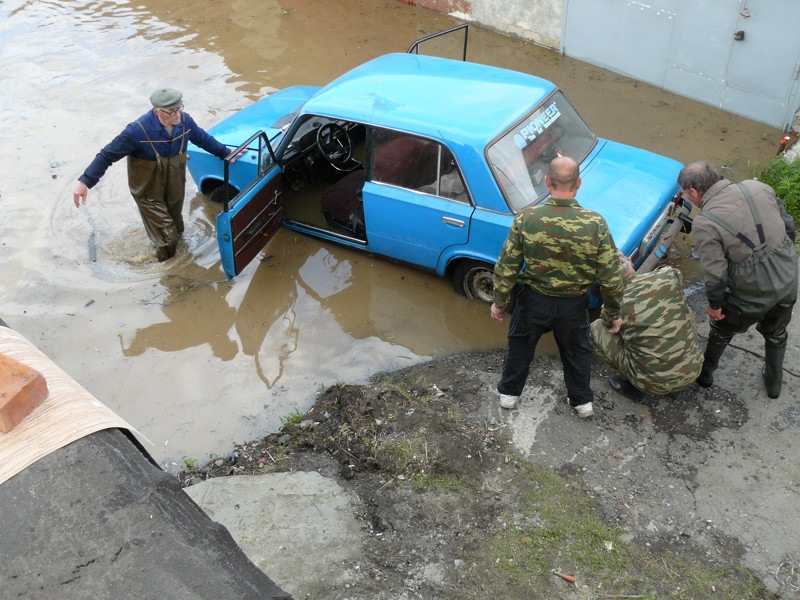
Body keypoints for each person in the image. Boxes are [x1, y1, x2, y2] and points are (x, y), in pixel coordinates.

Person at [490, 156, 624, 418]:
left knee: (520, 346)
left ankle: (509, 394)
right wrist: (613, 313)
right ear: (579, 184)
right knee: (577, 351)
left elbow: (506, 266)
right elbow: (610, 275)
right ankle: (582, 402)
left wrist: (500, 301)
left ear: (546, 181)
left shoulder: (527, 218)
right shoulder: (595, 223)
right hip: (574, 303)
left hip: (533, 300)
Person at [73, 88, 237, 261]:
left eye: (179, 108)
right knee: (167, 235)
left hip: (175, 185)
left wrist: (225, 153)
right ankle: (166, 269)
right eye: (172, 111)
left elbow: (202, 138)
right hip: (148, 193)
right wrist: (85, 182)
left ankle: (179, 256)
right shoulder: (136, 132)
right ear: (157, 110)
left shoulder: (185, 121)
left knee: (178, 228)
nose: (178, 115)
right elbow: (107, 155)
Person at [678, 161, 797, 398]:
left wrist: (714, 306)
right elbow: (789, 227)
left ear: (693, 191)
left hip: (749, 294)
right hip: (788, 279)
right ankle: (774, 385)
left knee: (721, 330)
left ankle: (705, 375)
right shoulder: (758, 188)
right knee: (777, 333)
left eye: (685, 194)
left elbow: (716, 274)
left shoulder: (705, 222)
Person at [590, 252, 703, 400]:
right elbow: (676, 275)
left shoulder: (613, 306)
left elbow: (610, 326)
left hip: (652, 384)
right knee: (682, 310)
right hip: (693, 370)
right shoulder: (668, 275)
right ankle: (678, 366)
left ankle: (631, 385)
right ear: (630, 261)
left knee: (596, 327)